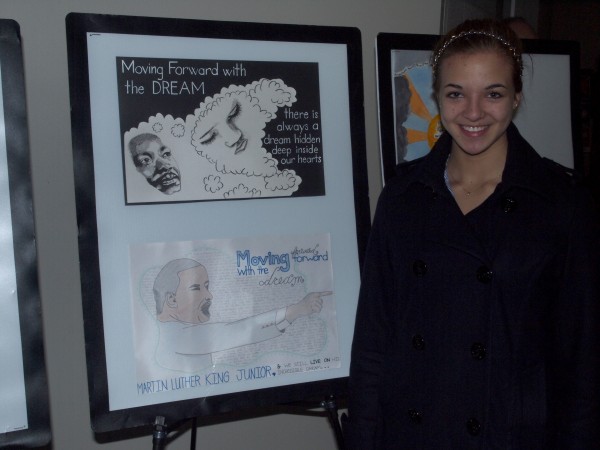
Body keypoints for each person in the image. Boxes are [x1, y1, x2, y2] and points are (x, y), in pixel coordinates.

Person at [346, 19, 599, 449]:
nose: (474, 112)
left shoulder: (562, 205)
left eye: (493, 94)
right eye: (456, 93)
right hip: (411, 434)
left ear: (516, 96)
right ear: (437, 97)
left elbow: (583, 364)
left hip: (507, 435)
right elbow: (373, 343)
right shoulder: (403, 198)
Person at [150, 258, 331, 371]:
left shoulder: (171, 332)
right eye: (196, 288)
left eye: (207, 287)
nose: (209, 295)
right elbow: (239, 331)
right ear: (172, 299)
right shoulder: (175, 336)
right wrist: (298, 309)